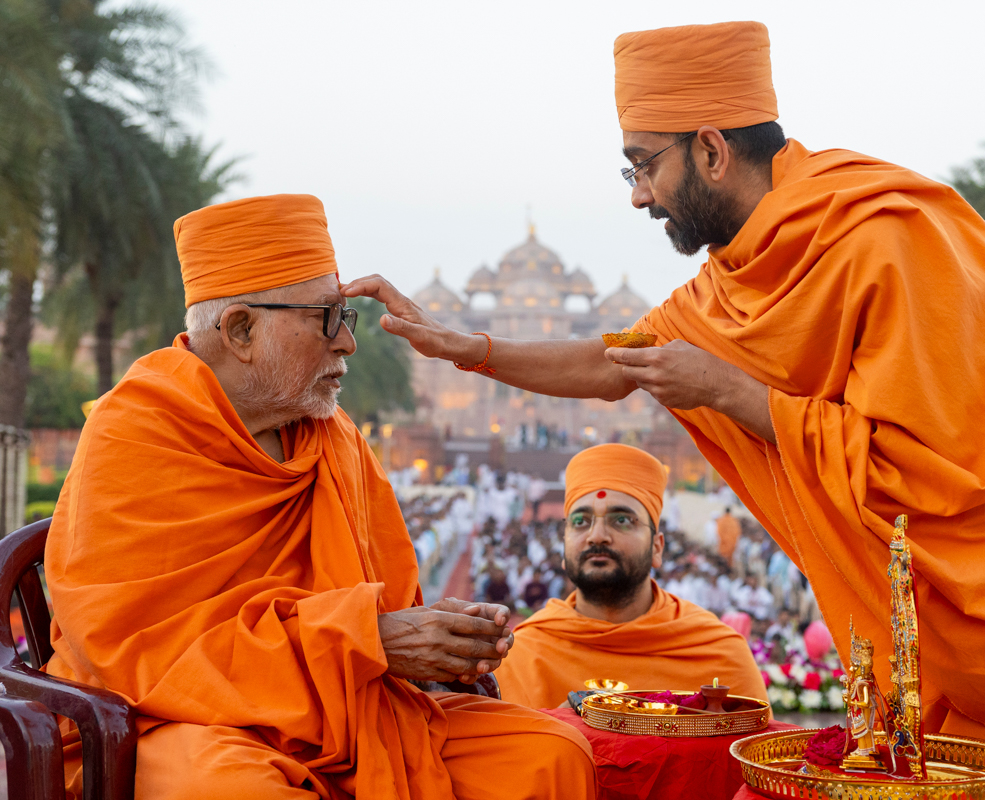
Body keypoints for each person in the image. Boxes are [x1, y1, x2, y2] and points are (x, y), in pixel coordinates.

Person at [343, 21, 985, 800]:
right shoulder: (737, 272)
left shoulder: (886, 238)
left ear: (712, 149)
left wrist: (731, 394)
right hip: (909, 654)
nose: (639, 197)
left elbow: (962, 469)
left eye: (645, 165)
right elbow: (615, 364)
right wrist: (468, 350)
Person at [43, 194, 594, 800]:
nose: (347, 344)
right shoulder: (137, 434)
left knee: (550, 754)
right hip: (177, 718)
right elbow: (136, 652)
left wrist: (440, 640)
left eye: (347, 319)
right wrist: (367, 640)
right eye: (327, 319)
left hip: (344, 703)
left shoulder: (331, 436)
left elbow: (379, 594)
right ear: (242, 330)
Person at [492, 444, 766, 709]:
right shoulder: (523, 656)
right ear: (564, 548)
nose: (597, 535)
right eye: (580, 522)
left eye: (621, 520)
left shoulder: (720, 656)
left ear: (657, 547)